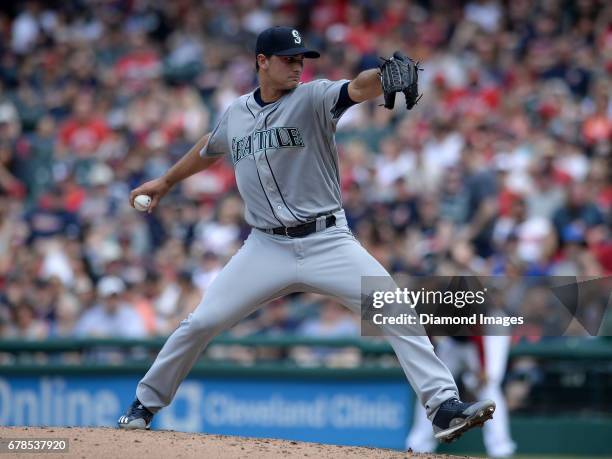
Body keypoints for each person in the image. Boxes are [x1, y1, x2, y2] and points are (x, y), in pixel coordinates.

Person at [117, 26, 495, 443]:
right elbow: (211, 145)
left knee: (395, 309)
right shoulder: (237, 113)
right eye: (288, 58)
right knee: (201, 321)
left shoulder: (312, 98)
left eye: (301, 59)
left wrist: (383, 75)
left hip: (327, 240)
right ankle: (144, 404)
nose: (297, 65)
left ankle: (443, 406)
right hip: (265, 246)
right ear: (262, 61)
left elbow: (355, 88)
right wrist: (166, 182)